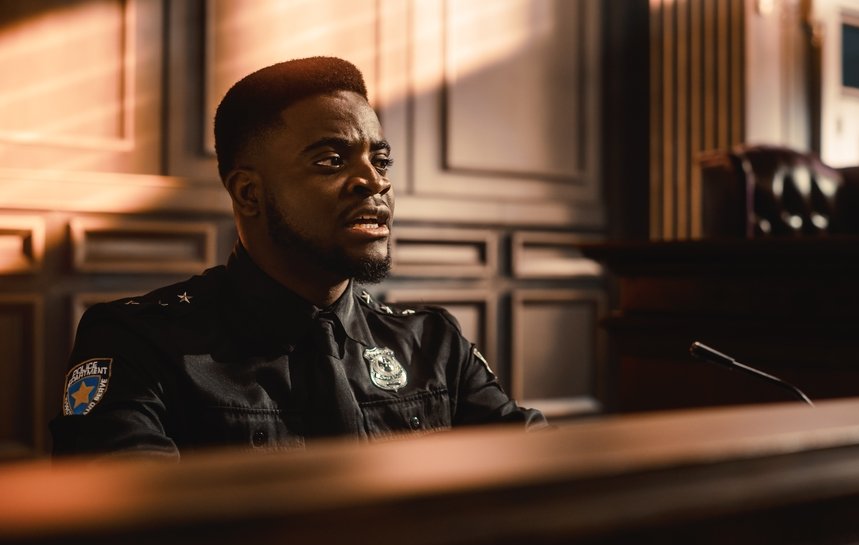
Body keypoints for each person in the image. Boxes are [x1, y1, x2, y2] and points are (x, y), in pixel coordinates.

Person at [50, 57, 545, 458]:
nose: (374, 181)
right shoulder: (139, 344)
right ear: (248, 194)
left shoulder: (432, 341)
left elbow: (541, 472)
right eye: (331, 159)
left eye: (380, 159)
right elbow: (132, 527)